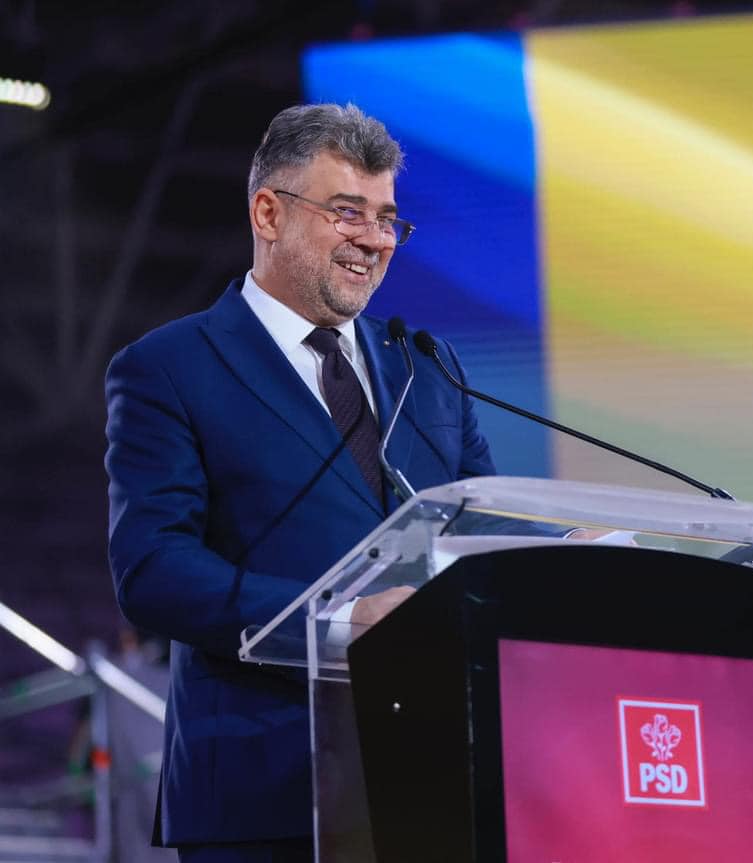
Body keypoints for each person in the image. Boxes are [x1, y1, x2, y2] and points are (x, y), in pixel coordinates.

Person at [104, 103, 495, 862]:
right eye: (347, 212)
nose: (374, 240)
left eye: (387, 219)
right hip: (263, 790)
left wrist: (574, 553)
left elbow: (480, 526)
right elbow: (153, 570)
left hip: (436, 780)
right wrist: (338, 620)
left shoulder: (426, 365)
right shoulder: (169, 368)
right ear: (268, 213)